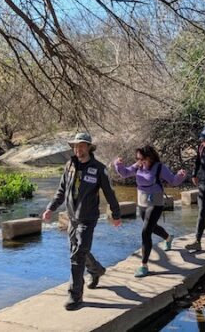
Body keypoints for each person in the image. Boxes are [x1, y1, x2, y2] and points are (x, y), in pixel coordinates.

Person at [42, 133, 121, 311]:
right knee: (77, 251)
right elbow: (61, 190)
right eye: (76, 146)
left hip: (88, 218)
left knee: (77, 255)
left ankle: (75, 296)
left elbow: (110, 193)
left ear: (89, 148)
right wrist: (50, 208)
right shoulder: (69, 165)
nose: (78, 149)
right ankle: (96, 270)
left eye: (82, 146)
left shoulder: (99, 169)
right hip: (72, 217)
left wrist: (116, 215)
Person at [114, 145, 187, 277]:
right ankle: (168, 237)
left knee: (145, 231)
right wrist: (118, 165)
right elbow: (124, 173)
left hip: (156, 202)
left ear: (149, 157)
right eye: (137, 158)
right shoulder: (138, 166)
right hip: (142, 202)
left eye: (141, 158)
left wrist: (180, 176)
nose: (138, 161)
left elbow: (173, 181)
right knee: (151, 228)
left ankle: (144, 265)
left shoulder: (159, 167)